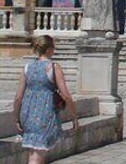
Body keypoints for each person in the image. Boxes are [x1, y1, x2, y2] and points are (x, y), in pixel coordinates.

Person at [14, 36, 78, 164]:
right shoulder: (53, 67)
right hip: (45, 113)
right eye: (53, 47)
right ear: (49, 49)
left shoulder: (27, 68)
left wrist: (17, 117)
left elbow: (18, 97)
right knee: (37, 156)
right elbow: (65, 94)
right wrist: (73, 116)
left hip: (27, 112)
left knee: (34, 152)